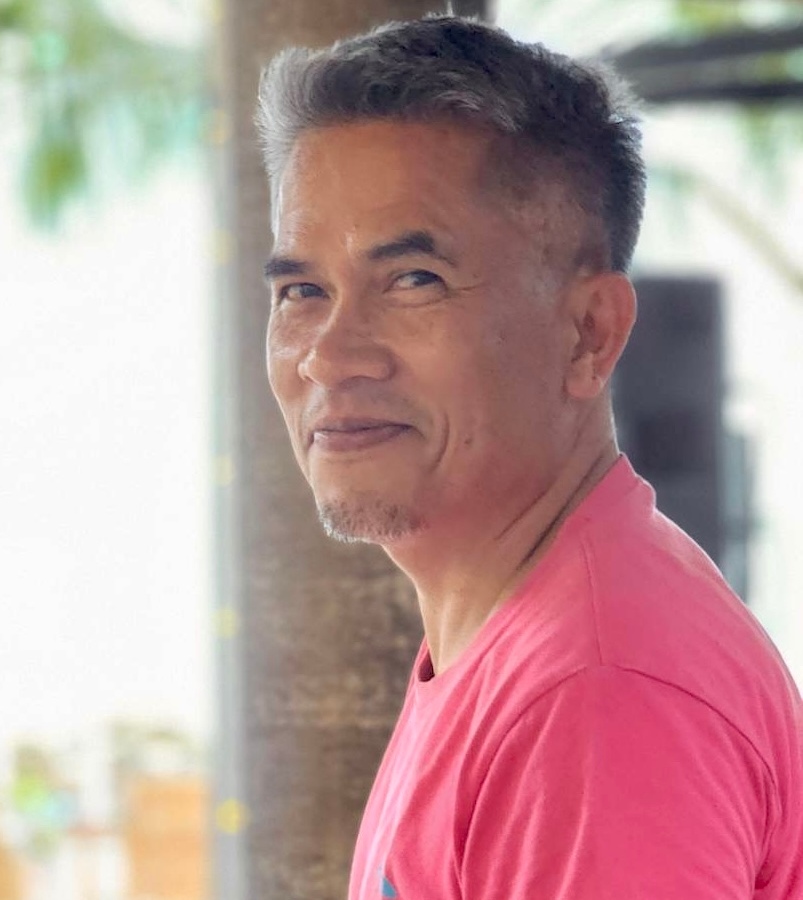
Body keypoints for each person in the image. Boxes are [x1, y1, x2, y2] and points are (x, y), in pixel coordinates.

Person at [256, 14, 803, 899]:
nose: (328, 353)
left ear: (588, 333)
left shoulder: (596, 693)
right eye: (301, 291)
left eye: (412, 281)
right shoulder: (519, 637)